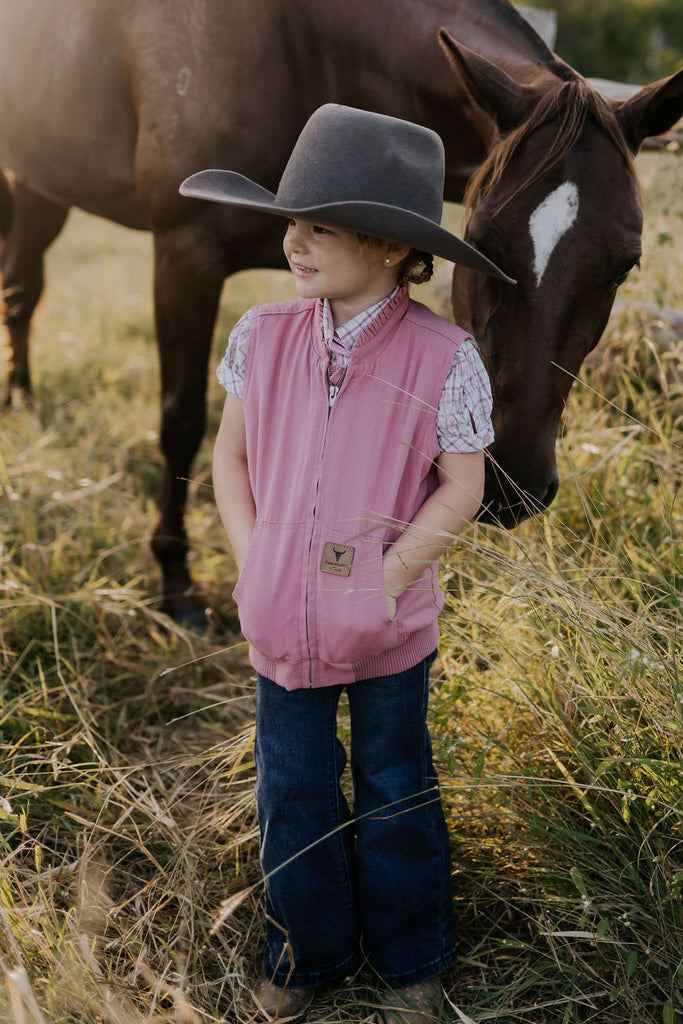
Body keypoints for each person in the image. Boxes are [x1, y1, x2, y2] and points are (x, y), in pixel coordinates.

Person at [180, 104, 513, 1024]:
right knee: (289, 790)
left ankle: (411, 953)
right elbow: (230, 461)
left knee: (395, 784)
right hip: (278, 621)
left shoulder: (442, 356)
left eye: (318, 225)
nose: (293, 242)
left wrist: (385, 579)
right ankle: (306, 949)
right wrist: (251, 565)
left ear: (392, 247)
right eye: (291, 222)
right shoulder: (263, 336)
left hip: (390, 627)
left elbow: (460, 487)